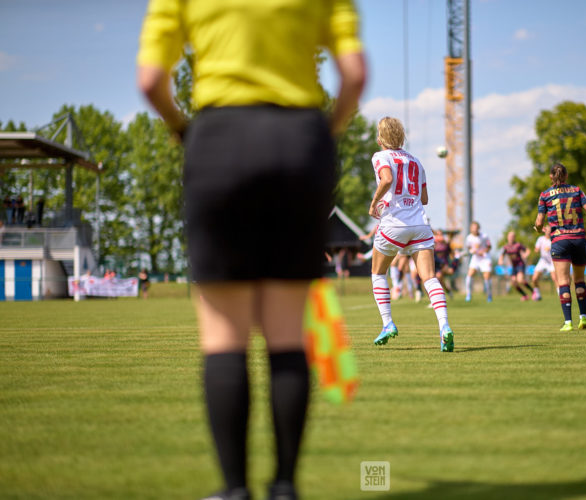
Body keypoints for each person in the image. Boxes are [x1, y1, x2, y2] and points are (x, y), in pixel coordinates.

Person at [137, 2, 366, 499]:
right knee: (287, 333)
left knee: (224, 336)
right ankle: (284, 487)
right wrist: (324, 133)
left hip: (219, 140)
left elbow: (151, 78)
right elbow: (354, 74)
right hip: (298, 141)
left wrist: (183, 128)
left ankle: (234, 489)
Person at [368, 117, 454, 352]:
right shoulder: (416, 162)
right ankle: (444, 326)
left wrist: (375, 202)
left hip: (394, 223)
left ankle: (388, 324)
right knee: (429, 278)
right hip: (420, 224)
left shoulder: (380, 156)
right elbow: (424, 199)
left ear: (381, 138)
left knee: (378, 272)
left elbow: (386, 179)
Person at [534, 162, 586, 332]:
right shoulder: (577, 190)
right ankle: (583, 317)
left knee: (563, 282)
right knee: (579, 280)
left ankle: (568, 322)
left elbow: (538, 222)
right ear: (566, 176)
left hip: (560, 241)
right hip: (579, 239)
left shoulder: (545, 195)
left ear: (551, 177)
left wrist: (537, 229)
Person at [500, 230, 534, 301]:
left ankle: (533, 292)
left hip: (520, 264)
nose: (511, 238)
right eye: (510, 236)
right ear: (507, 237)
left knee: (520, 280)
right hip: (514, 266)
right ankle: (525, 295)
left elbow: (528, 250)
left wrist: (526, 254)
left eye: (512, 236)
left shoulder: (518, 245)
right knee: (513, 282)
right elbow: (502, 255)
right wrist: (500, 260)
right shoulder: (506, 247)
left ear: (514, 237)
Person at [464, 221, 493, 302]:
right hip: (476, 258)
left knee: (486, 277)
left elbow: (489, 247)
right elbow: (469, 247)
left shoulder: (484, 236)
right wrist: (471, 251)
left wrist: (483, 251)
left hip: (485, 258)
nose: (474, 230)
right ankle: (468, 294)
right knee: (469, 275)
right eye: (473, 228)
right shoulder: (469, 237)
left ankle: (489, 295)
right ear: (471, 229)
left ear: (478, 228)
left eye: (476, 228)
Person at [530, 224, 557, 300]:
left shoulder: (553, 240)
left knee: (554, 278)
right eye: (547, 230)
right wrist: (537, 249)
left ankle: (560, 295)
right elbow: (536, 249)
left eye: (549, 230)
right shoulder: (540, 239)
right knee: (534, 279)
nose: (548, 232)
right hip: (542, 260)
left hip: (551, 261)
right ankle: (537, 295)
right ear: (545, 230)